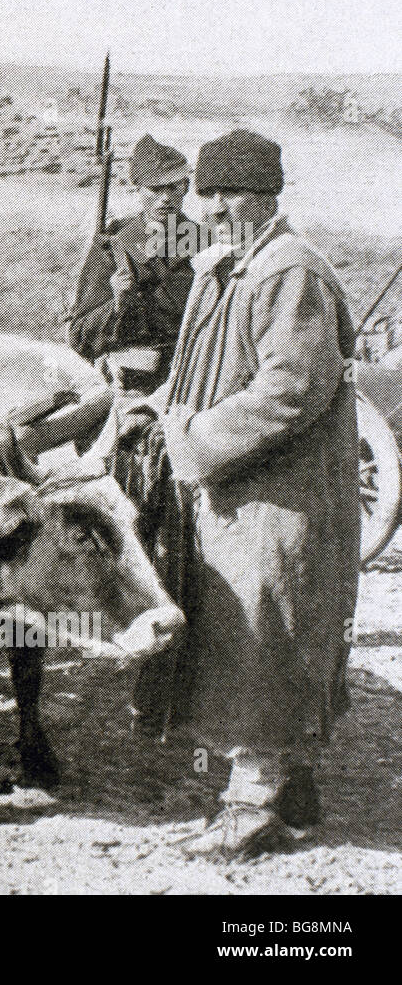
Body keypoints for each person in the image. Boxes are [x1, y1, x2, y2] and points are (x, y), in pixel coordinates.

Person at [131, 130, 358, 859]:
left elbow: (290, 388)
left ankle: (251, 804)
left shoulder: (289, 272)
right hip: (238, 491)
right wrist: (159, 404)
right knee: (249, 628)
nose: (216, 207)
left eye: (233, 193)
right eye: (210, 193)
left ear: (270, 196)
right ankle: (290, 791)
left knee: (261, 634)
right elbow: (200, 366)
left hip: (277, 494)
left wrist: (192, 439)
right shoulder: (226, 268)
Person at [69, 134, 196, 392]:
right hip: (129, 384)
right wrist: (117, 303)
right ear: (138, 188)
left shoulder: (201, 241)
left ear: (185, 187)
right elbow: (81, 336)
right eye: (155, 188)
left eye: (173, 187)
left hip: (191, 377)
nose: (165, 198)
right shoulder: (114, 243)